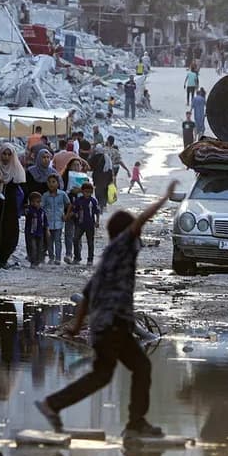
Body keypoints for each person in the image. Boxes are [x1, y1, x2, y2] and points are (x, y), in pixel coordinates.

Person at [35, 180, 179, 439]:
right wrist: (165, 197)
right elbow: (140, 221)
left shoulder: (108, 258)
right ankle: (136, 425)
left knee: (103, 375)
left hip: (103, 326)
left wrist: (77, 327)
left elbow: (88, 295)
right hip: (114, 324)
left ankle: (52, 404)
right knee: (141, 367)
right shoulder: (123, 247)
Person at [0, 145, 25, 267]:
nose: (6, 157)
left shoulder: (16, 169)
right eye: (4, 154)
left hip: (10, 207)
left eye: (9, 154)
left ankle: (4, 257)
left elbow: (22, 189)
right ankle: (0, 258)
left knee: (11, 232)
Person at [42, 174, 71, 265]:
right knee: (49, 241)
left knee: (58, 240)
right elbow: (42, 207)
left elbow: (69, 204)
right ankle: (51, 257)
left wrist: (66, 215)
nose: (51, 184)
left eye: (53, 182)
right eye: (49, 182)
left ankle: (58, 258)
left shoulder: (62, 194)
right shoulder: (45, 196)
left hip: (59, 222)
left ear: (58, 183)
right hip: (48, 222)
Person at [70, 182, 100, 264]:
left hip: (90, 224)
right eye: (86, 192)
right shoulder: (78, 200)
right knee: (75, 239)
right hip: (80, 224)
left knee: (90, 242)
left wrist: (97, 221)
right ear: (82, 191)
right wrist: (70, 215)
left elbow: (97, 212)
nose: (87, 194)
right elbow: (74, 209)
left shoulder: (93, 201)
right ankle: (77, 257)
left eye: (89, 192)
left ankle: (90, 259)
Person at [24, 191, 47, 268]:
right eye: (33, 202)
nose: (35, 204)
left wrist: (47, 230)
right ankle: (33, 261)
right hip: (31, 232)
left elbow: (45, 221)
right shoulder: (29, 210)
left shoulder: (42, 211)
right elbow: (27, 213)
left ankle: (38, 261)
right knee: (32, 247)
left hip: (40, 232)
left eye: (38, 202)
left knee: (40, 247)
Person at [90, 143, 113, 207]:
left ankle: (100, 203)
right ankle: (104, 204)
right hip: (106, 177)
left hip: (97, 177)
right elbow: (110, 168)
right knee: (105, 190)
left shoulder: (94, 157)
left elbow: (90, 166)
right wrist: (111, 178)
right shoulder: (107, 157)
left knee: (98, 190)